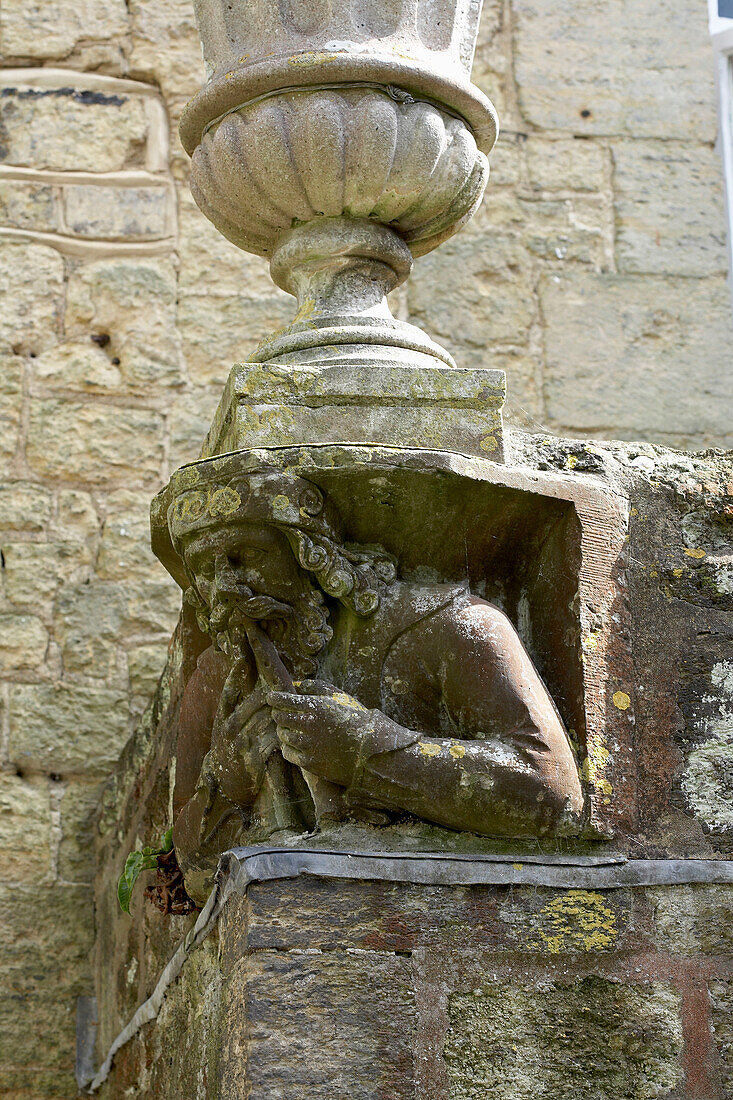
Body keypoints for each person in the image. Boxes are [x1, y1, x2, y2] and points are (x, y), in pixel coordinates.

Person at [162, 465, 584, 901]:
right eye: (206, 572)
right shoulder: (221, 677)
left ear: (310, 557)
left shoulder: (451, 625)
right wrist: (230, 785)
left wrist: (367, 752)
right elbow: (193, 880)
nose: (226, 588)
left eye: (247, 556)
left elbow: (551, 794)